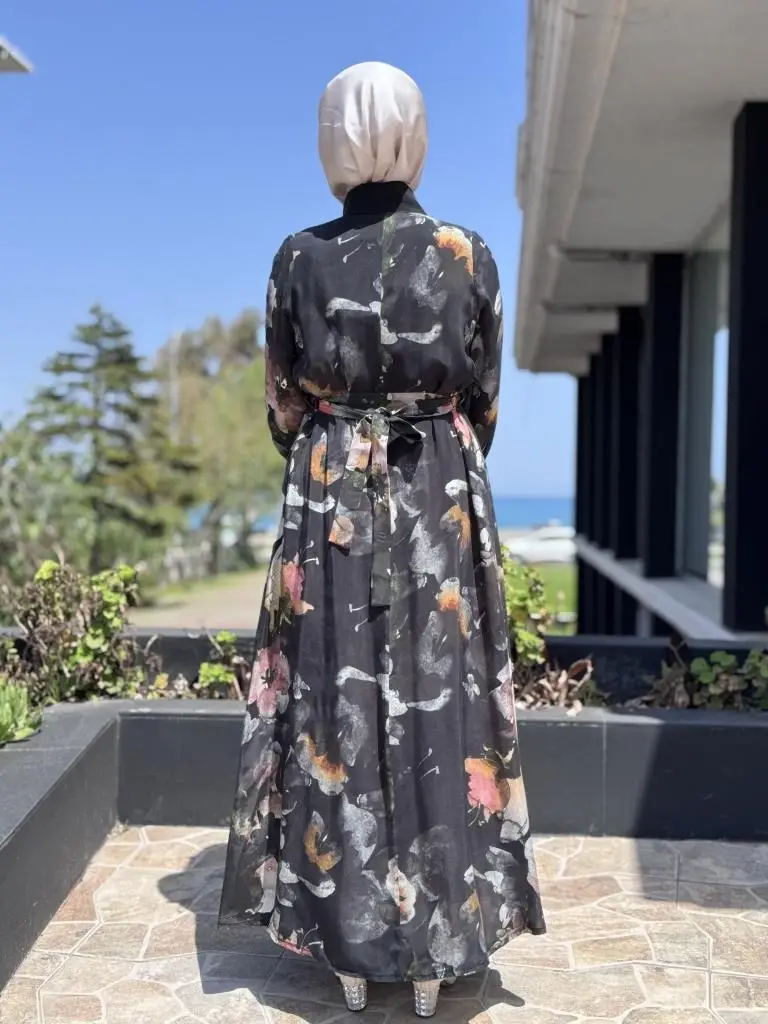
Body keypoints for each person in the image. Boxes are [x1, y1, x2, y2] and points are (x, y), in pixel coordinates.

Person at [219, 61, 546, 1017]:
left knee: (333, 700)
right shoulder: (469, 254)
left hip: (331, 499)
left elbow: (283, 405)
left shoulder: (298, 259)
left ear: (332, 140)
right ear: (417, 135)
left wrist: (340, 435)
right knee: (448, 709)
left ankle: (350, 950)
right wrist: (429, 446)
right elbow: (483, 402)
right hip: (440, 487)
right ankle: (442, 946)